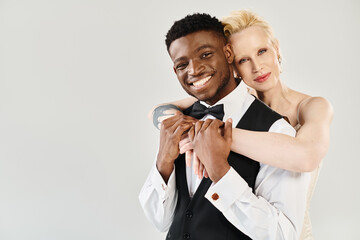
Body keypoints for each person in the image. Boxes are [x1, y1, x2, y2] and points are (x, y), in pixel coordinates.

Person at [150, 10, 333, 240]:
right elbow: (159, 111)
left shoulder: (311, 106)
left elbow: (306, 157)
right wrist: (194, 131)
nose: (257, 67)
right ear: (232, 64)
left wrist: (213, 135)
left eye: (262, 51)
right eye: (243, 60)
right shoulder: (233, 103)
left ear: (276, 48)